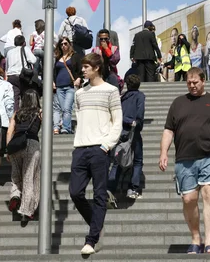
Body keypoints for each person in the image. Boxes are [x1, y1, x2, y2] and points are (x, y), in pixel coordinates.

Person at [159, 67, 210, 254]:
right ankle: (195, 238)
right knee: (189, 199)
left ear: (203, 80)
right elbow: (169, 130)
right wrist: (163, 153)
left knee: (209, 195)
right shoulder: (178, 103)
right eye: (189, 83)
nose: (192, 86)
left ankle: (209, 242)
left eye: (196, 82)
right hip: (185, 158)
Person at [69, 53, 122, 255]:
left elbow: (117, 121)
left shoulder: (111, 90)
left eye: (87, 66)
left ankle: (91, 239)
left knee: (100, 195)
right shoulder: (79, 93)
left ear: (97, 68)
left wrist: (107, 144)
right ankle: (97, 227)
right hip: (80, 148)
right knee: (75, 192)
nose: (83, 70)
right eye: (82, 67)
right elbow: (80, 117)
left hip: (100, 148)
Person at [107, 74, 145, 199]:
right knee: (137, 161)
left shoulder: (122, 98)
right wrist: (136, 123)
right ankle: (133, 189)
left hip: (120, 132)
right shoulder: (139, 96)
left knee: (118, 161)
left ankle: (110, 188)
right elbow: (140, 112)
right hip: (133, 132)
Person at [6, 89, 42, 224]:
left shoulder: (17, 113)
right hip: (31, 144)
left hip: (16, 144)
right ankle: (26, 210)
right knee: (29, 177)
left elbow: (10, 131)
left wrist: (8, 149)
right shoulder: (39, 112)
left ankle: (15, 195)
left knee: (15, 175)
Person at [53, 37, 82, 134]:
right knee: (61, 108)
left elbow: (81, 70)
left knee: (66, 108)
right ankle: (63, 125)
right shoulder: (58, 58)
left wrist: (78, 79)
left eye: (65, 43)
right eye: (61, 44)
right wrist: (53, 82)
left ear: (69, 44)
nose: (63, 46)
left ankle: (66, 128)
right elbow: (54, 71)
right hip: (59, 86)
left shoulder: (75, 56)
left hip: (70, 86)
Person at [6, 35, 38, 112]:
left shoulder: (9, 52)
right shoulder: (25, 49)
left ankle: (15, 116)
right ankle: (25, 115)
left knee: (15, 98)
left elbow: (7, 66)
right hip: (22, 77)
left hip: (11, 77)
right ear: (24, 43)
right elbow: (33, 60)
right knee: (25, 97)